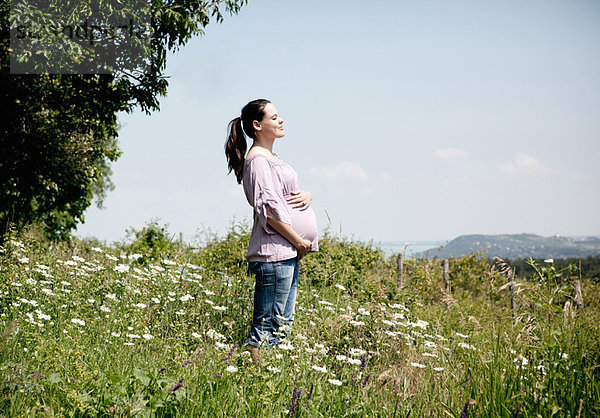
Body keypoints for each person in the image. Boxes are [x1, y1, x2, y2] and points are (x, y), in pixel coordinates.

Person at [225, 99, 318, 363]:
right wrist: (299, 241)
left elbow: (285, 196)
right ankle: (256, 378)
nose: (281, 120)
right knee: (267, 327)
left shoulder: (271, 158)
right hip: (275, 254)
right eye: (274, 117)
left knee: (282, 325)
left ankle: (270, 376)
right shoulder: (258, 162)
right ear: (257, 125)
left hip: (285, 252)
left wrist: (307, 194)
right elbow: (268, 211)